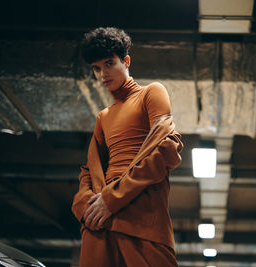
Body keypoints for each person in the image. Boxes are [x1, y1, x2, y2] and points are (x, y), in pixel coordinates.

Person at [71, 27, 183, 267]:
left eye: (109, 63)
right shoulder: (103, 116)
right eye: (96, 68)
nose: (103, 74)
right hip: (101, 219)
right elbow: (89, 170)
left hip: (141, 216)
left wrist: (112, 199)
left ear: (126, 61)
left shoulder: (151, 93)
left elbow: (165, 150)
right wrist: (85, 207)